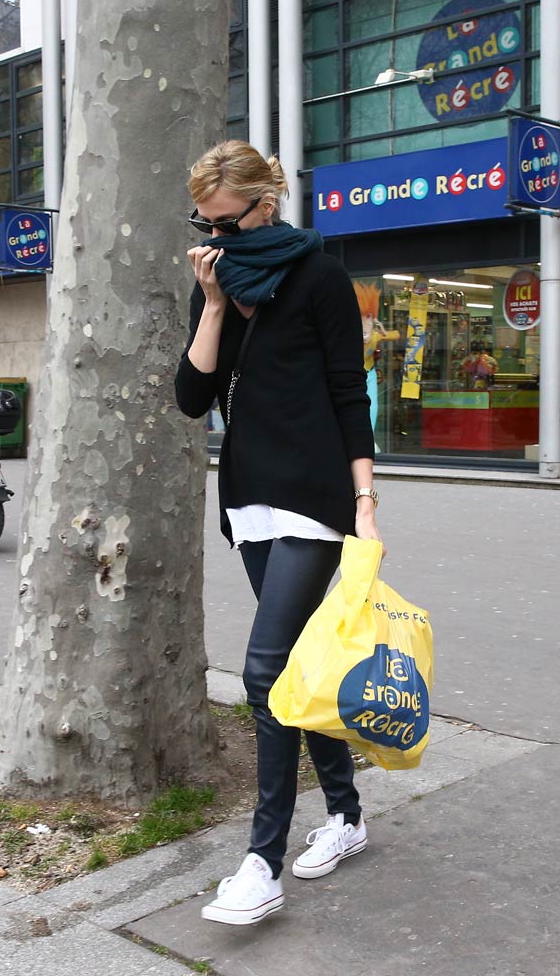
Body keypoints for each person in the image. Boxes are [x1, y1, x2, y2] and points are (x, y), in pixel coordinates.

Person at [174, 140, 382, 926]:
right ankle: (348, 814)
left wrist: (364, 498)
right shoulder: (218, 278)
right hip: (250, 496)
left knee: (263, 672)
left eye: (228, 220)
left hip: (315, 495)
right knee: (298, 666)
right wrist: (217, 302)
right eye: (206, 221)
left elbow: (345, 392)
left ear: (268, 203)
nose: (216, 235)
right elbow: (193, 397)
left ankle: (261, 862)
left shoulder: (320, 274)